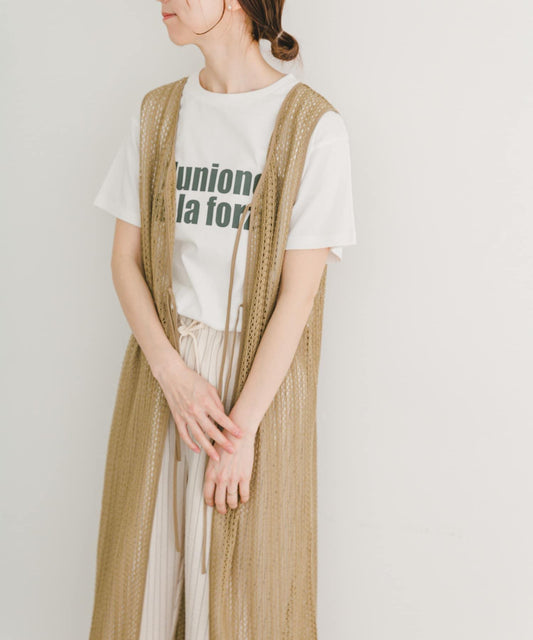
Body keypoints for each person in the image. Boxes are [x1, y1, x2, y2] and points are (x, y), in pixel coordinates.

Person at [92, 1, 356, 638]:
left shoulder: (313, 128)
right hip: (162, 375)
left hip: (255, 391)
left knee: (240, 607)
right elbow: (125, 261)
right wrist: (173, 375)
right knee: (143, 595)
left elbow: (299, 297)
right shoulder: (157, 114)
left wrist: (241, 435)